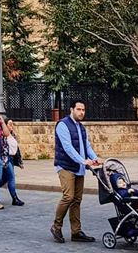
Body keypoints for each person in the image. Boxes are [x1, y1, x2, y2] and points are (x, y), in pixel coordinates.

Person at [50, 99, 100, 244]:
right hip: (65, 166)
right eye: (79, 109)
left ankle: (76, 232)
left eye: (83, 110)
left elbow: (86, 146)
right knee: (68, 196)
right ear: (71, 109)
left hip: (79, 167)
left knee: (77, 200)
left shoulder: (81, 128)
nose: (81, 112)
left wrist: (94, 158)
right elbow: (67, 147)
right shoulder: (62, 125)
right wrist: (82, 160)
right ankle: (56, 226)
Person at [0, 118, 25, 206]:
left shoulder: (12, 135)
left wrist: (19, 162)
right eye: (9, 124)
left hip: (12, 159)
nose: (12, 126)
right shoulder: (2, 135)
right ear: (4, 125)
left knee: (3, 179)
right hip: (6, 159)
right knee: (11, 178)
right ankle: (15, 198)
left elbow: (16, 150)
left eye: (12, 124)